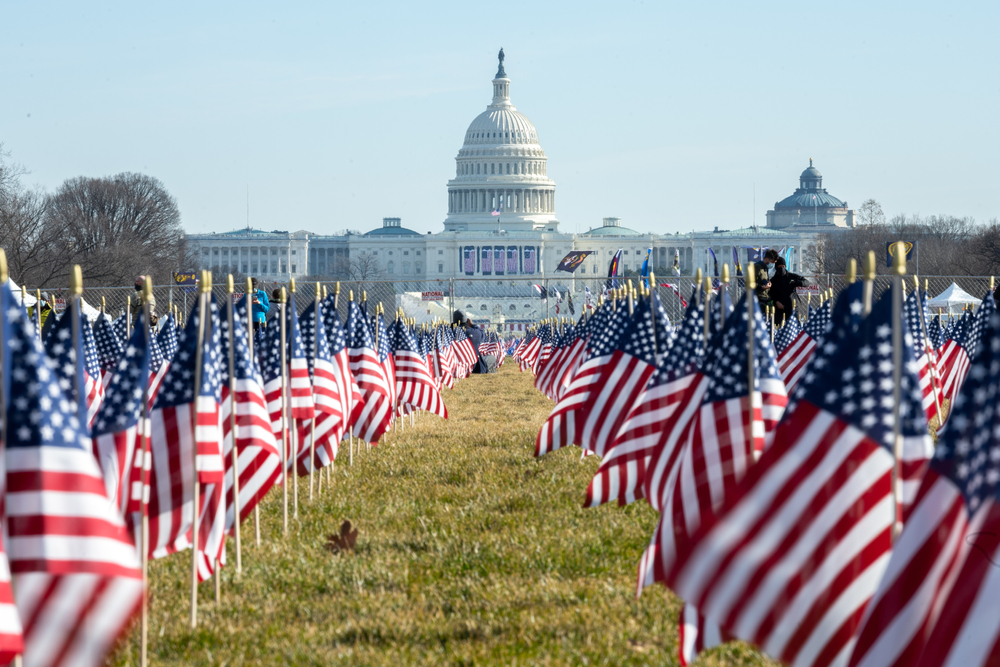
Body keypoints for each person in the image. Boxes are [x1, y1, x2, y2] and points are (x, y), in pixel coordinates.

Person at [453, 310, 490, 374]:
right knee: (491, 358)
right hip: (475, 366)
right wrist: (472, 325)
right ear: (466, 320)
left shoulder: (450, 333)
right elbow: (483, 334)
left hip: (456, 365)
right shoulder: (475, 332)